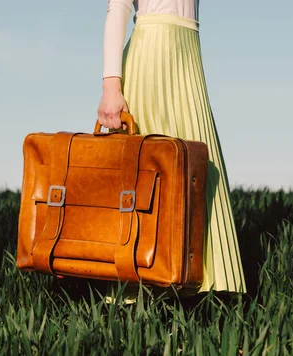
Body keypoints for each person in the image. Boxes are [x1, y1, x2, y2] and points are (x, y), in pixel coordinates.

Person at [97, 0, 247, 298]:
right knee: (151, 175)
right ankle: (142, 283)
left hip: (187, 55)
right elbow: (118, 8)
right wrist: (110, 87)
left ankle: (202, 283)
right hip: (152, 54)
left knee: (199, 164)